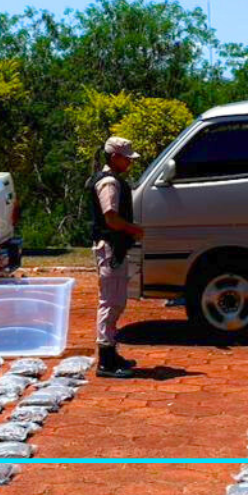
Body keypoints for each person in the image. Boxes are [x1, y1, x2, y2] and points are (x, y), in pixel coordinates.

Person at [86, 136, 145, 378]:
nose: (129, 163)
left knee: (115, 300)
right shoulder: (109, 183)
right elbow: (111, 217)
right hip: (111, 247)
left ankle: (111, 353)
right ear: (114, 157)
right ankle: (106, 360)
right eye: (126, 158)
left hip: (114, 247)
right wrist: (134, 230)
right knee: (110, 303)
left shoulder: (111, 180)